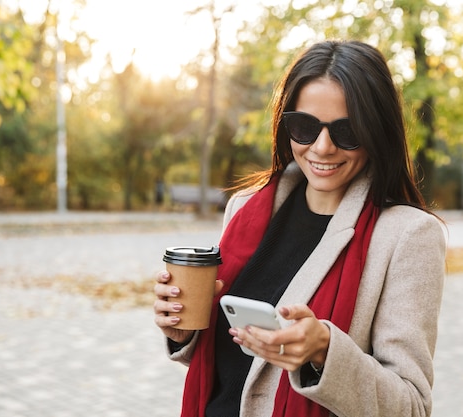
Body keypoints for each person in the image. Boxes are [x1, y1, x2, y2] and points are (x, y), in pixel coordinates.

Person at [153, 39, 446, 417]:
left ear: (377, 132)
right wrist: (183, 332)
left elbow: (411, 407)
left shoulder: (408, 236)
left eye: (347, 131)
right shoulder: (244, 211)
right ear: (285, 125)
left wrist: (326, 350)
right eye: (305, 126)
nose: (322, 147)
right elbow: (230, 362)